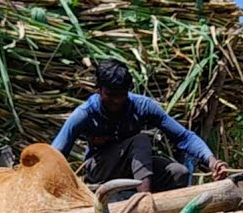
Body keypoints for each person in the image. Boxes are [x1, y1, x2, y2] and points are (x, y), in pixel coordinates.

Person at [51, 59, 229, 199]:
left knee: (179, 173)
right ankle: (145, 201)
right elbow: (55, 155)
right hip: (101, 169)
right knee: (141, 140)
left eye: (121, 95)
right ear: (99, 90)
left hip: (135, 168)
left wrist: (212, 161)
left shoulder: (142, 106)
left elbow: (184, 137)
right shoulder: (85, 114)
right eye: (110, 95)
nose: (116, 101)